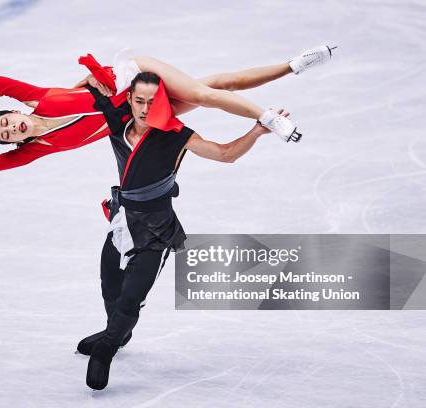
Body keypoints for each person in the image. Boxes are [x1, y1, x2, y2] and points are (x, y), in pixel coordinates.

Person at [80, 71, 292, 390]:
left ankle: (106, 350)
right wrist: (92, 80)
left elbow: (225, 154)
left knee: (130, 298)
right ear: (129, 100)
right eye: (139, 101)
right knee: (110, 285)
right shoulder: (116, 121)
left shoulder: (176, 134)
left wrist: (257, 130)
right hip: (122, 221)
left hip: (156, 231)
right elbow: (77, 98)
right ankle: (119, 333)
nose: (145, 108)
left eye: (152, 102)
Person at [0, 46, 335, 182]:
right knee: (221, 85)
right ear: (15, 140)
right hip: (140, 108)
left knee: (205, 94)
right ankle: (293, 65)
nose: (10, 128)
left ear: (14, 111)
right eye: (6, 134)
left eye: (5, 120)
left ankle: (269, 118)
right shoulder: (39, 147)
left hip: (132, 79)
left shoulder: (35, 99)